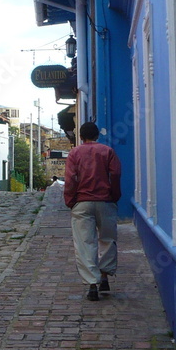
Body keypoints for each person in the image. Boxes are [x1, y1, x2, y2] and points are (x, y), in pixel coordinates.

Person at [64, 122, 121, 301]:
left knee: (85, 243)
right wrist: (114, 194)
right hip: (105, 201)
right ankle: (105, 276)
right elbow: (116, 174)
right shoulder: (107, 152)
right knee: (107, 239)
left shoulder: (74, 153)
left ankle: (92, 284)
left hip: (82, 202)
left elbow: (70, 179)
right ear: (97, 135)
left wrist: (70, 200)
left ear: (81, 136)